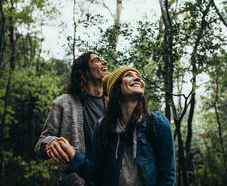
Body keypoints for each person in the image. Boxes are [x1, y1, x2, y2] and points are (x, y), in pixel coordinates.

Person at [58, 66, 176, 186]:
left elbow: (167, 176)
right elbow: (98, 175)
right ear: (116, 87)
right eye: (129, 75)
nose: (137, 78)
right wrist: (73, 156)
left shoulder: (157, 123)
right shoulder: (102, 128)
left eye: (139, 77)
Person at [34, 52, 108, 186]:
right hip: (76, 181)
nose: (104, 62)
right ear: (84, 70)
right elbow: (40, 145)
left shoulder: (112, 104)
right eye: (97, 60)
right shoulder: (64, 103)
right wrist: (51, 142)